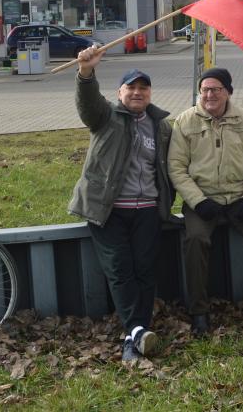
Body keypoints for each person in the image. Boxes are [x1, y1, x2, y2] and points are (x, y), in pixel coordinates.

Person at [68, 45, 174, 362]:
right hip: (109, 210)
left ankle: (135, 335)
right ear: (121, 92)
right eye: (132, 87)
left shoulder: (162, 127)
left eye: (143, 88)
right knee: (119, 270)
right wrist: (86, 71)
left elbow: (171, 167)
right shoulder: (107, 118)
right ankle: (136, 333)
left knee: (144, 271)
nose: (138, 92)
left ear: (150, 93)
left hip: (148, 211)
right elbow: (87, 103)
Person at [168, 67, 243, 335]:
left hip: (239, 197)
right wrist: (198, 202)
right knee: (195, 241)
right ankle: (199, 312)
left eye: (216, 89)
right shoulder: (185, 122)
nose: (209, 94)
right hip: (202, 199)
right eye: (205, 90)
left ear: (228, 92)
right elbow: (176, 168)